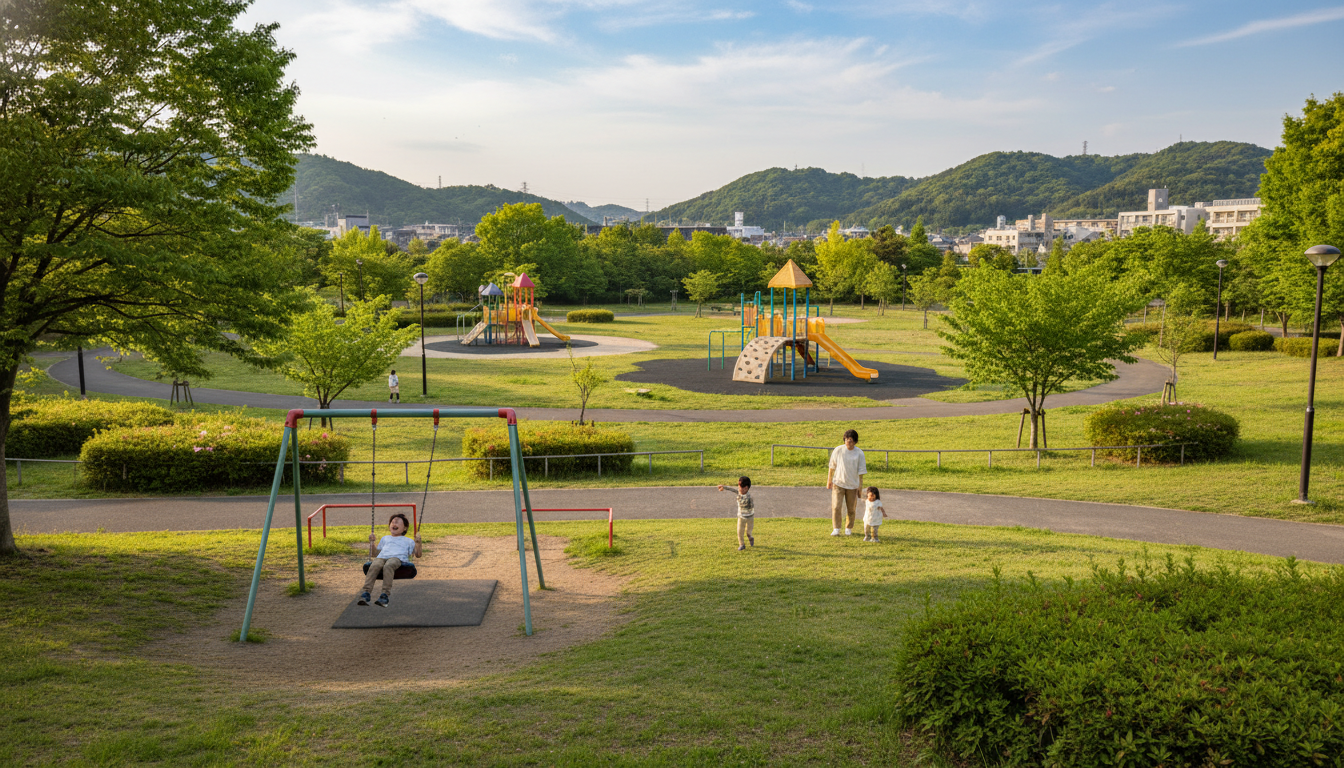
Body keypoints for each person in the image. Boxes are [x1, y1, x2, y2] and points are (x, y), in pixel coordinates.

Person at [359, 513, 421, 607]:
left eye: (397, 522)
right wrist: (372, 543)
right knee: (375, 565)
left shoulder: (408, 541)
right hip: (382, 557)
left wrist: (418, 543)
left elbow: (418, 555)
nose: (394, 524)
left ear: (404, 528)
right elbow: (374, 554)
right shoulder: (385, 538)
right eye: (392, 522)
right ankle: (366, 593)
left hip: (397, 558)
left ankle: (384, 595)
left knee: (389, 565)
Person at [826, 428, 866, 536]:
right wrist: (829, 480)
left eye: (851, 440)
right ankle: (836, 528)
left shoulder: (859, 453)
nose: (848, 442)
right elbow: (832, 466)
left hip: (852, 485)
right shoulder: (838, 450)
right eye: (847, 440)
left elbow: (861, 472)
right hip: (838, 483)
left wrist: (860, 487)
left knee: (851, 508)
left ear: (855, 441)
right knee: (836, 506)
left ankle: (848, 528)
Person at [717, 475, 755, 550]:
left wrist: (739, 499)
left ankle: (750, 537)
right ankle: (742, 544)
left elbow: (748, 505)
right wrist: (724, 487)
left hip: (750, 517)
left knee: (748, 532)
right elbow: (732, 490)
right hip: (741, 516)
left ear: (746, 488)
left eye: (740, 487)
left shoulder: (749, 498)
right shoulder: (739, 493)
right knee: (739, 531)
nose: (738, 489)